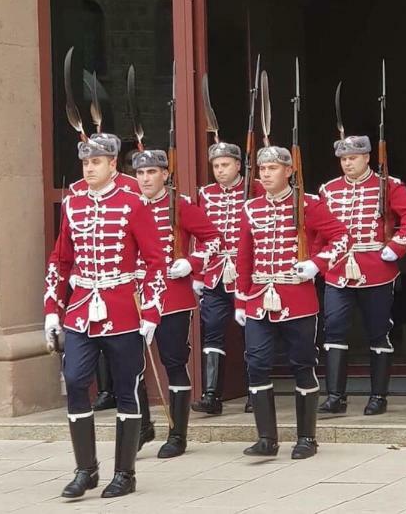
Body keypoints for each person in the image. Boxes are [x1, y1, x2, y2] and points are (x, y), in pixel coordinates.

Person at [44, 133, 166, 499]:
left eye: (96, 162)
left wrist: (152, 311)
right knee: (76, 380)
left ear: (113, 164)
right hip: (82, 308)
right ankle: (86, 470)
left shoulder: (133, 203)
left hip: (122, 308)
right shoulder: (74, 203)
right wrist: (52, 309)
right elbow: (61, 259)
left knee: (127, 389)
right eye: (85, 163)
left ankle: (124, 474)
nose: (89, 168)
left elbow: (156, 260)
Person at [235, 145, 351, 460]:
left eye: (273, 168)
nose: (267, 174)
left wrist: (317, 263)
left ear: (289, 171)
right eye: (263, 169)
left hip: (296, 297)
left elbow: (341, 237)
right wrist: (241, 298)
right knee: (256, 364)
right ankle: (266, 438)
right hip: (259, 297)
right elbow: (245, 255)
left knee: (303, 364)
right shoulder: (251, 208)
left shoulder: (309, 204)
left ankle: (306, 438)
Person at [317, 136, 406, 416]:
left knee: (378, 331)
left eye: (352, 158)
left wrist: (397, 246)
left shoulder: (388, 185)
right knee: (334, 329)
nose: (347, 163)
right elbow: (318, 230)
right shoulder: (329, 190)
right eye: (343, 159)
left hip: (375, 267)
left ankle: (378, 396)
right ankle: (335, 396)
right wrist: (316, 263)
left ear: (367, 157)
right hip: (338, 268)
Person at [133, 148, 222, 457]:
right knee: (132, 364)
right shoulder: (127, 206)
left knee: (172, 362)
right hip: (135, 293)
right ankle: (142, 426)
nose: (145, 178)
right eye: (141, 173)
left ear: (164, 175)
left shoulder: (180, 205)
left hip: (172, 293)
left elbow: (213, 239)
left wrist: (192, 262)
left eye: (152, 172)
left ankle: (178, 434)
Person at [192, 141, 264, 415]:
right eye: (216, 166)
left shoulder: (255, 188)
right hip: (215, 272)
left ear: (238, 165)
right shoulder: (206, 194)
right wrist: (198, 272)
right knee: (212, 332)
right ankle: (212, 395)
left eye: (225, 165)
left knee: (252, 334)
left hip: (247, 271)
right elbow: (200, 236)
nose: (220, 171)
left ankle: (254, 391)